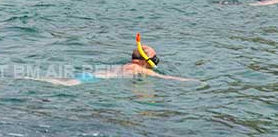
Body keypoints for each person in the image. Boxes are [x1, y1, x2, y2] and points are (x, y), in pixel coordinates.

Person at [31, 34, 194, 86]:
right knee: (64, 84)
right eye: (155, 59)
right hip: (90, 79)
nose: (156, 62)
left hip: (91, 75)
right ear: (145, 61)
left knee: (54, 80)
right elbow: (164, 78)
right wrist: (190, 81)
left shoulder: (127, 66)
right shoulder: (136, 69)